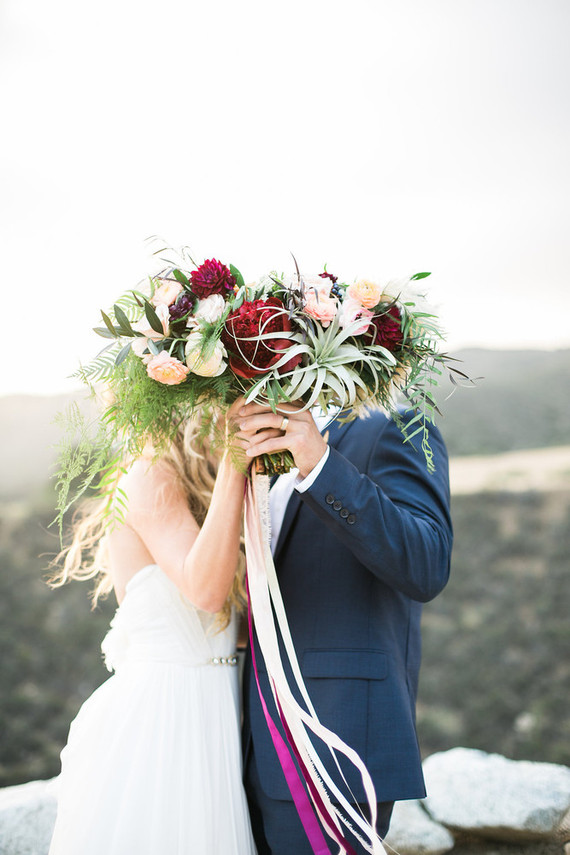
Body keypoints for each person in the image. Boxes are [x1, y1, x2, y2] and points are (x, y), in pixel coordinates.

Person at [238, 402, 453, 854]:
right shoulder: (261, 443)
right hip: (252, 738)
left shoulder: (397, 422)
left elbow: (427, 563)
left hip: (338, 745)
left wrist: (320, 465)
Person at [48, 399, 258, 855]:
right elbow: (203, 590)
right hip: (162, 723)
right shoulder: (149, 474)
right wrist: (235, 464)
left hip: (211, 712)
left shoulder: (197, 480)